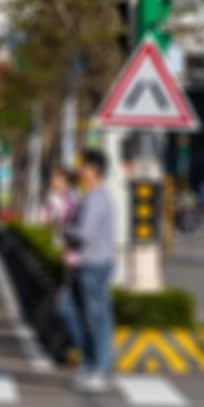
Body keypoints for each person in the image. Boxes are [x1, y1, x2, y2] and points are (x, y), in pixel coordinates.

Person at [58, 152, 118, 391]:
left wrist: (65, 230)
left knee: (97, 317)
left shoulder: (97, 199)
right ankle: (91, 362)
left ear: (93, 169)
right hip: (86, 262)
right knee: (67, 308)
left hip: (94, 263)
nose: (80, 169)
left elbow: (84, 233)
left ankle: (101, 369)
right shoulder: (92, 196)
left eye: (83, 165)